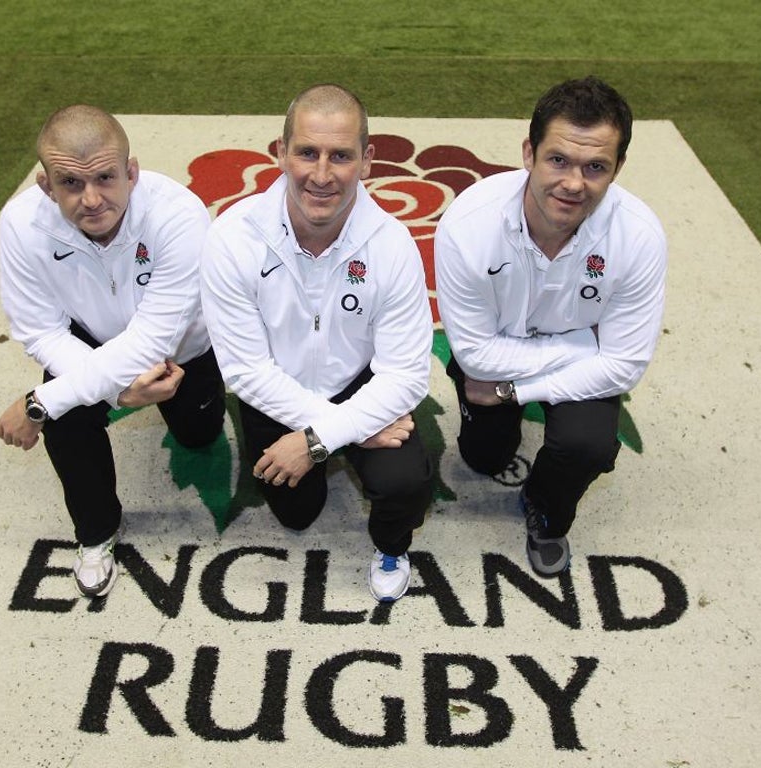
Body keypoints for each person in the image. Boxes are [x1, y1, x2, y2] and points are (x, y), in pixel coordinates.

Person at [200, 84, 433, 602]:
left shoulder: (393, 244)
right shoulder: (232, 236)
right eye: (307, 152)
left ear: (368, 161)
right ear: (280, 152)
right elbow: (244, 371)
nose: (322, 175)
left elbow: (406, 375)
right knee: (297, 515)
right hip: (274, 388)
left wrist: (319, 437)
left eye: (341, 156)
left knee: (406, 483)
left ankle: (392, 546)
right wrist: (344, 430)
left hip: (360, 384)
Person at [434, 76, 667, 578]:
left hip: (519, 368)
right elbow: (475, 355)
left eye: (595, 167)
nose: (573, 183)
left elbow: (624, 368)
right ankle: (494, 427)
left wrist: (516, 389)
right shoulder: (467, 224)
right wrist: (589, 348)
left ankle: (546, 510)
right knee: (483, 458)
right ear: (529, 153)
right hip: (519, 360)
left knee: (587, 445)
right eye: (558, 160)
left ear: (617, 169)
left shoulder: (640, 237)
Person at [0, 105, 225, 598]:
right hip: (85, 343)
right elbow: (40, 331)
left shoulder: (178, 213)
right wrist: (110, 393)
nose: (92, 199)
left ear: (132, 173)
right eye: (70, 185)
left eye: (105, 177)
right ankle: (96, 532)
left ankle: (170, 410)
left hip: (184, 349)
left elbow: (156, 338)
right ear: (45, 185)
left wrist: (39, 402)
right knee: (69, 416)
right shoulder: (20, 224)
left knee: (198, 436)